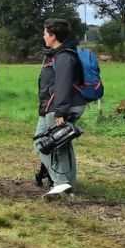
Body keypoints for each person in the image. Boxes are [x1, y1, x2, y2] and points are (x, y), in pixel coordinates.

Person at [35, 18, 87, 200]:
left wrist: (60, 112)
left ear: (53, 36)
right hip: (53, 106)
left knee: (51, 145)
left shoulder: (64, 57)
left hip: (59, 107)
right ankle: (67, 185)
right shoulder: (60, 54)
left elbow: (62, 85)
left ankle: (61, 184)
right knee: (60, 144)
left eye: (45, 33)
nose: (43, 36)